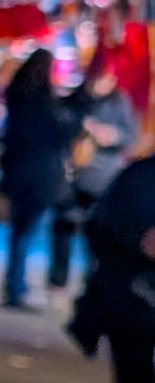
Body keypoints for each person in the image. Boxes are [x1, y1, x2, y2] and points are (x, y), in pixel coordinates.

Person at [68, 146, 155, 383]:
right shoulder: (142, 179)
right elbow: (106, 230)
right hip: (136, 307)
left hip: (133, 305)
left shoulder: (139, 175)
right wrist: (138, 242)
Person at [54, 57, 140, 281]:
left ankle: (92, 277)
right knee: (64, 226)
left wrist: (109, 134)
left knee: (95, 232)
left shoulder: (119, 103)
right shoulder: (76, 100)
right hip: (72, 174)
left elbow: (129, 136)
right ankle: (58, 278)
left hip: (102, 176)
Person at [0, 47, 72, 309]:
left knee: (20, 234)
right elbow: (61, 134)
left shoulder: (17, 97)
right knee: (37, 231)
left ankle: (15, 285)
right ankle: (23, 286)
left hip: (21, 175)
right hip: (42, 178)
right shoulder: (45, 103)